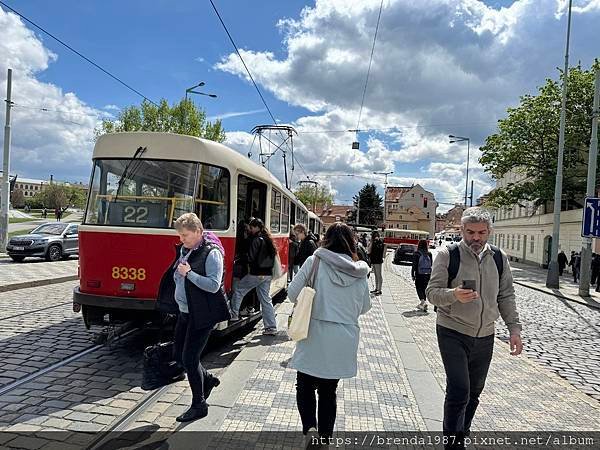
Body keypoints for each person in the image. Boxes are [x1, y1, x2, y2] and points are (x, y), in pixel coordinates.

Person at [426, 207, 523, 450]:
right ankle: (452, 443)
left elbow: (506, 295)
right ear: (462, 230)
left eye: (481, 232)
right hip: (452, 330)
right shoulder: (448, 255)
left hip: (485, 335)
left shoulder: (499, 257)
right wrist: (454, 295)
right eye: (470, 232)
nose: (476, 238)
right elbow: (431, 293)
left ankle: (462, 433)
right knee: (460, 388)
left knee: (474, 392)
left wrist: (514, 329)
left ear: (489, 231)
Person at [287, 223, 371, 442]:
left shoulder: (314, 261)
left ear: (326, 240)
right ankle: (325, 438)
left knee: (304, 384)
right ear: (351, 243)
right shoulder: (360, 271)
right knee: (328, 391)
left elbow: (292, 293)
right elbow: (364, 307)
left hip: (313, 332)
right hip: (344, 338)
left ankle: (310, 428)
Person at [156, 213, 230, 422]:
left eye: (185, 235)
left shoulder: (212, 253)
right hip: (185, 311)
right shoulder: (186, 249)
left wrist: (189, 274)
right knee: (179, 355)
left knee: (189, 359)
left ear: (198, 231)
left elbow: (213, 286)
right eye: (180, 235)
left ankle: (199, 404)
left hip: (202, 314)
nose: (182, 239)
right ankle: (206, 379)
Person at [229, 218, 278, 335]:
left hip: (256, 273)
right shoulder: (268, 239)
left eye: (251, 228)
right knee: (266, 300)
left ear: (256, 227)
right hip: (267, 274)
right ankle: (271, 327)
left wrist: (239, 259)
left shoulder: (256, 240)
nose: (250, 230)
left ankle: (234, 315)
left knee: (239, 290)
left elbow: (251, 258)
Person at [412, 239, 432, 311]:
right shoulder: (429, 253)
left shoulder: (417, 253)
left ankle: (423, 302)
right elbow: (431, 264)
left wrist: (413, 274)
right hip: (427, 274)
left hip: (419, 274)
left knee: (418, 288)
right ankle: (423, 303)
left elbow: (414, 265)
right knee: (424, 288)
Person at [367, 230, 386, 295]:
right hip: (374, 261)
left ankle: (379, 290)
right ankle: (376, 288)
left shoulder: (379, 242)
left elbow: (379, 250)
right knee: (376, 275)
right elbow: (369, 251)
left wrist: (375, 242)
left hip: (378, 261)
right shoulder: (374, 242)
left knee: (379, 275)